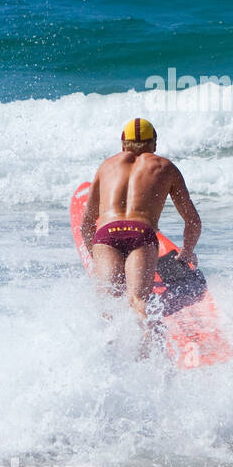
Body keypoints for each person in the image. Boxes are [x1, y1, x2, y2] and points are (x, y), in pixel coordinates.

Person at [80, 119, 201, 349]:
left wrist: (95, 257)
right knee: (137, 300)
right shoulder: (165, 167)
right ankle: (150, 349)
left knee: (109, 301)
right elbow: (193, 221)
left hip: (106, 235)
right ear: (154, 144)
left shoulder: (107, 166)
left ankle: (107, 353)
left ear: (123, 145)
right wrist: (186, 253)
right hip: (141, 234)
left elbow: (86, 223)